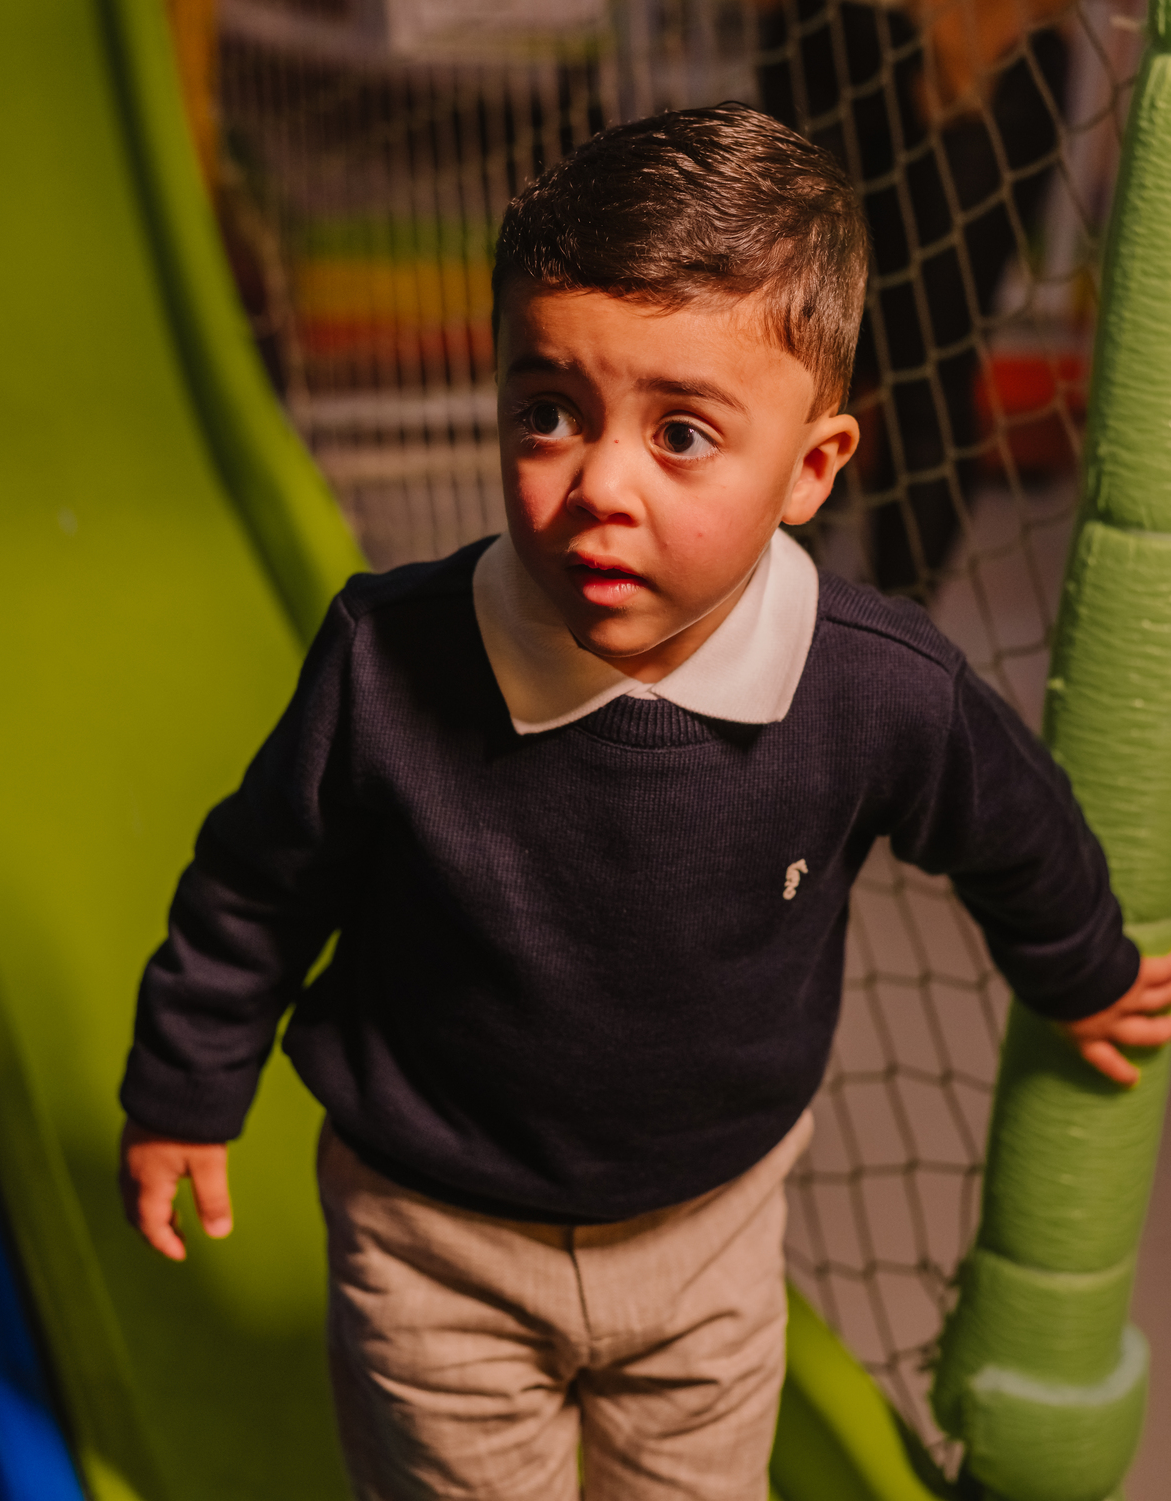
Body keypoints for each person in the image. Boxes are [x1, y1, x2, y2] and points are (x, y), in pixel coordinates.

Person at [117, 107, 1171, 1501]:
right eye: (549, 411)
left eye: (681, 434)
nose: (597, 484)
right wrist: (188, 1083)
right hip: (440, 1234)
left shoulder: (873, 686)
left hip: (711, 1234)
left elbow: (1011, 824)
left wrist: (1084, 969)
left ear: (811, 470)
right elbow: (258, 881)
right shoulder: (393, 658)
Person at [709, 0, 1171, 593]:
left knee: (930, 352)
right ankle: (760, 604)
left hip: (976, 58)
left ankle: (896, 637)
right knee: (801, 347)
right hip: (811, 28)